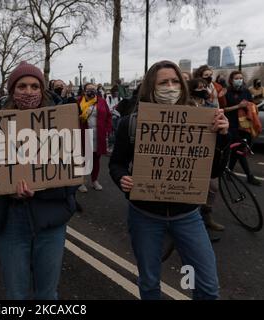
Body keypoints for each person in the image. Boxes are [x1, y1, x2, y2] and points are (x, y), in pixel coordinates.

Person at [109, 60, 230, 300]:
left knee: (207, 287)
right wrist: (123, 178)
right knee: (150, 283)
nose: (171, 86)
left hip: (187, 215)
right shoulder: (130, 123)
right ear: (151, 87)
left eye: (176, 81)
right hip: (145, 215)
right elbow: (116, 163)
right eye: (164, 82)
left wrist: (222, 137)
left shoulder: (202, 121)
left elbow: (214, 171)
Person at [0, 61, 77, 300]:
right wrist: (7, 190)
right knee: (16, 294)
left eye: (35, 86)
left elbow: (72, 179)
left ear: (42, 90)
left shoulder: (61, 123)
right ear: (12, 90)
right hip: (11, 221)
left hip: (50, 220)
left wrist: (40, 188)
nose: (28, 92)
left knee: (47, 294)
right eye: (22, 85)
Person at [188, 78, 225, 233]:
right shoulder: (186, 105)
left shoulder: (211, 106)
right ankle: (193, 223)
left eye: (204, 86)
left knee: (213, 187)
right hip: (190, 152)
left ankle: (207, 216)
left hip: (209, 151)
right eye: (199, 87)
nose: (203, 89)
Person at [224, 71, 261, 186]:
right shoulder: (227, 92)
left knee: (237, 150)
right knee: (240, 149)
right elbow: (223, 109)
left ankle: (228, 171)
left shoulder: (246, 91)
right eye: (236, 78)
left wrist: (249, 107)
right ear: (231, 80)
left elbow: (251, 106)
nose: (239, 80)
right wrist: (238, 106)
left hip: (244, 126)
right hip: (232, 125)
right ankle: (249, 176)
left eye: (241, 78)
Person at [78, 83, 112, 192]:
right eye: (89, 89)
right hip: (84, 133)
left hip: (98, 135)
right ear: (84, 91)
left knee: (96, 159)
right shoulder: (79, 102)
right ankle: (81, 181)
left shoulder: (101, 101)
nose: (91, 91)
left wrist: (107, 129)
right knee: (84, 158)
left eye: (93, 89)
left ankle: (94, 180)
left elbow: (108, 116)